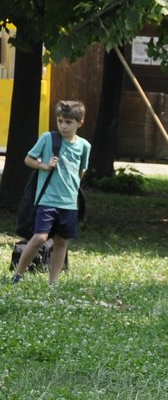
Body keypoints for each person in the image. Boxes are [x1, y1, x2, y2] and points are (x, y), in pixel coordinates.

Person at [11, 100, 90, 286]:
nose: (63, 125)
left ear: (80, 123)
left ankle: (53, 281)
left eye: (68, 122)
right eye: (60, 120)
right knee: (39, 237)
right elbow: (28, 159)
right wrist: (44, 166)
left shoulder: (84, 146)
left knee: (62, 241)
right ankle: (18, 274)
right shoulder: (48, 138)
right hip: (47, 199)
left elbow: (81, 171)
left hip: (69, 202)